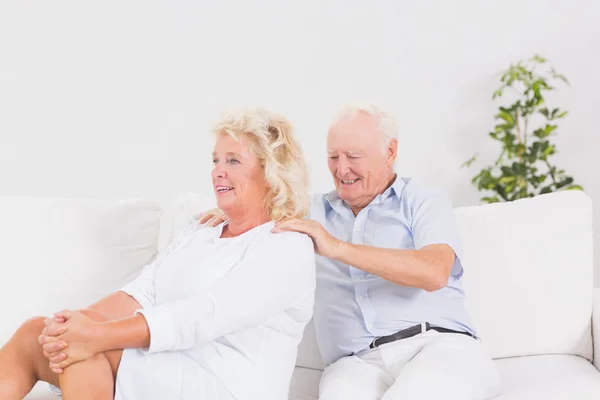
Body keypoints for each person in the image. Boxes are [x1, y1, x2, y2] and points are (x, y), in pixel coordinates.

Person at [0, 107, 316, 400]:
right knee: (36, 333)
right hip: (166, 365)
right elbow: (144, 291)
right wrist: (73, 325)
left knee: (88, 348)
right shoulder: (202, 231)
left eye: (233, 160)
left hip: (225, 384)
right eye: (215, 160)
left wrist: (96, 335)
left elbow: (204, 315)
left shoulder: (286, 245)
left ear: (271, 174)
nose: (218, 171)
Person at [202, 103, 503, 400]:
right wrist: (234, 212)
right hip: (353, 366)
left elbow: (434, 272)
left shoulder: (422, 200)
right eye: (333, 157)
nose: (341, 169)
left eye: (353, 156)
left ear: (390, 152)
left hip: (437, 346)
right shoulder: (308, 212)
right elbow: (259, 206)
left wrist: (337, 248)